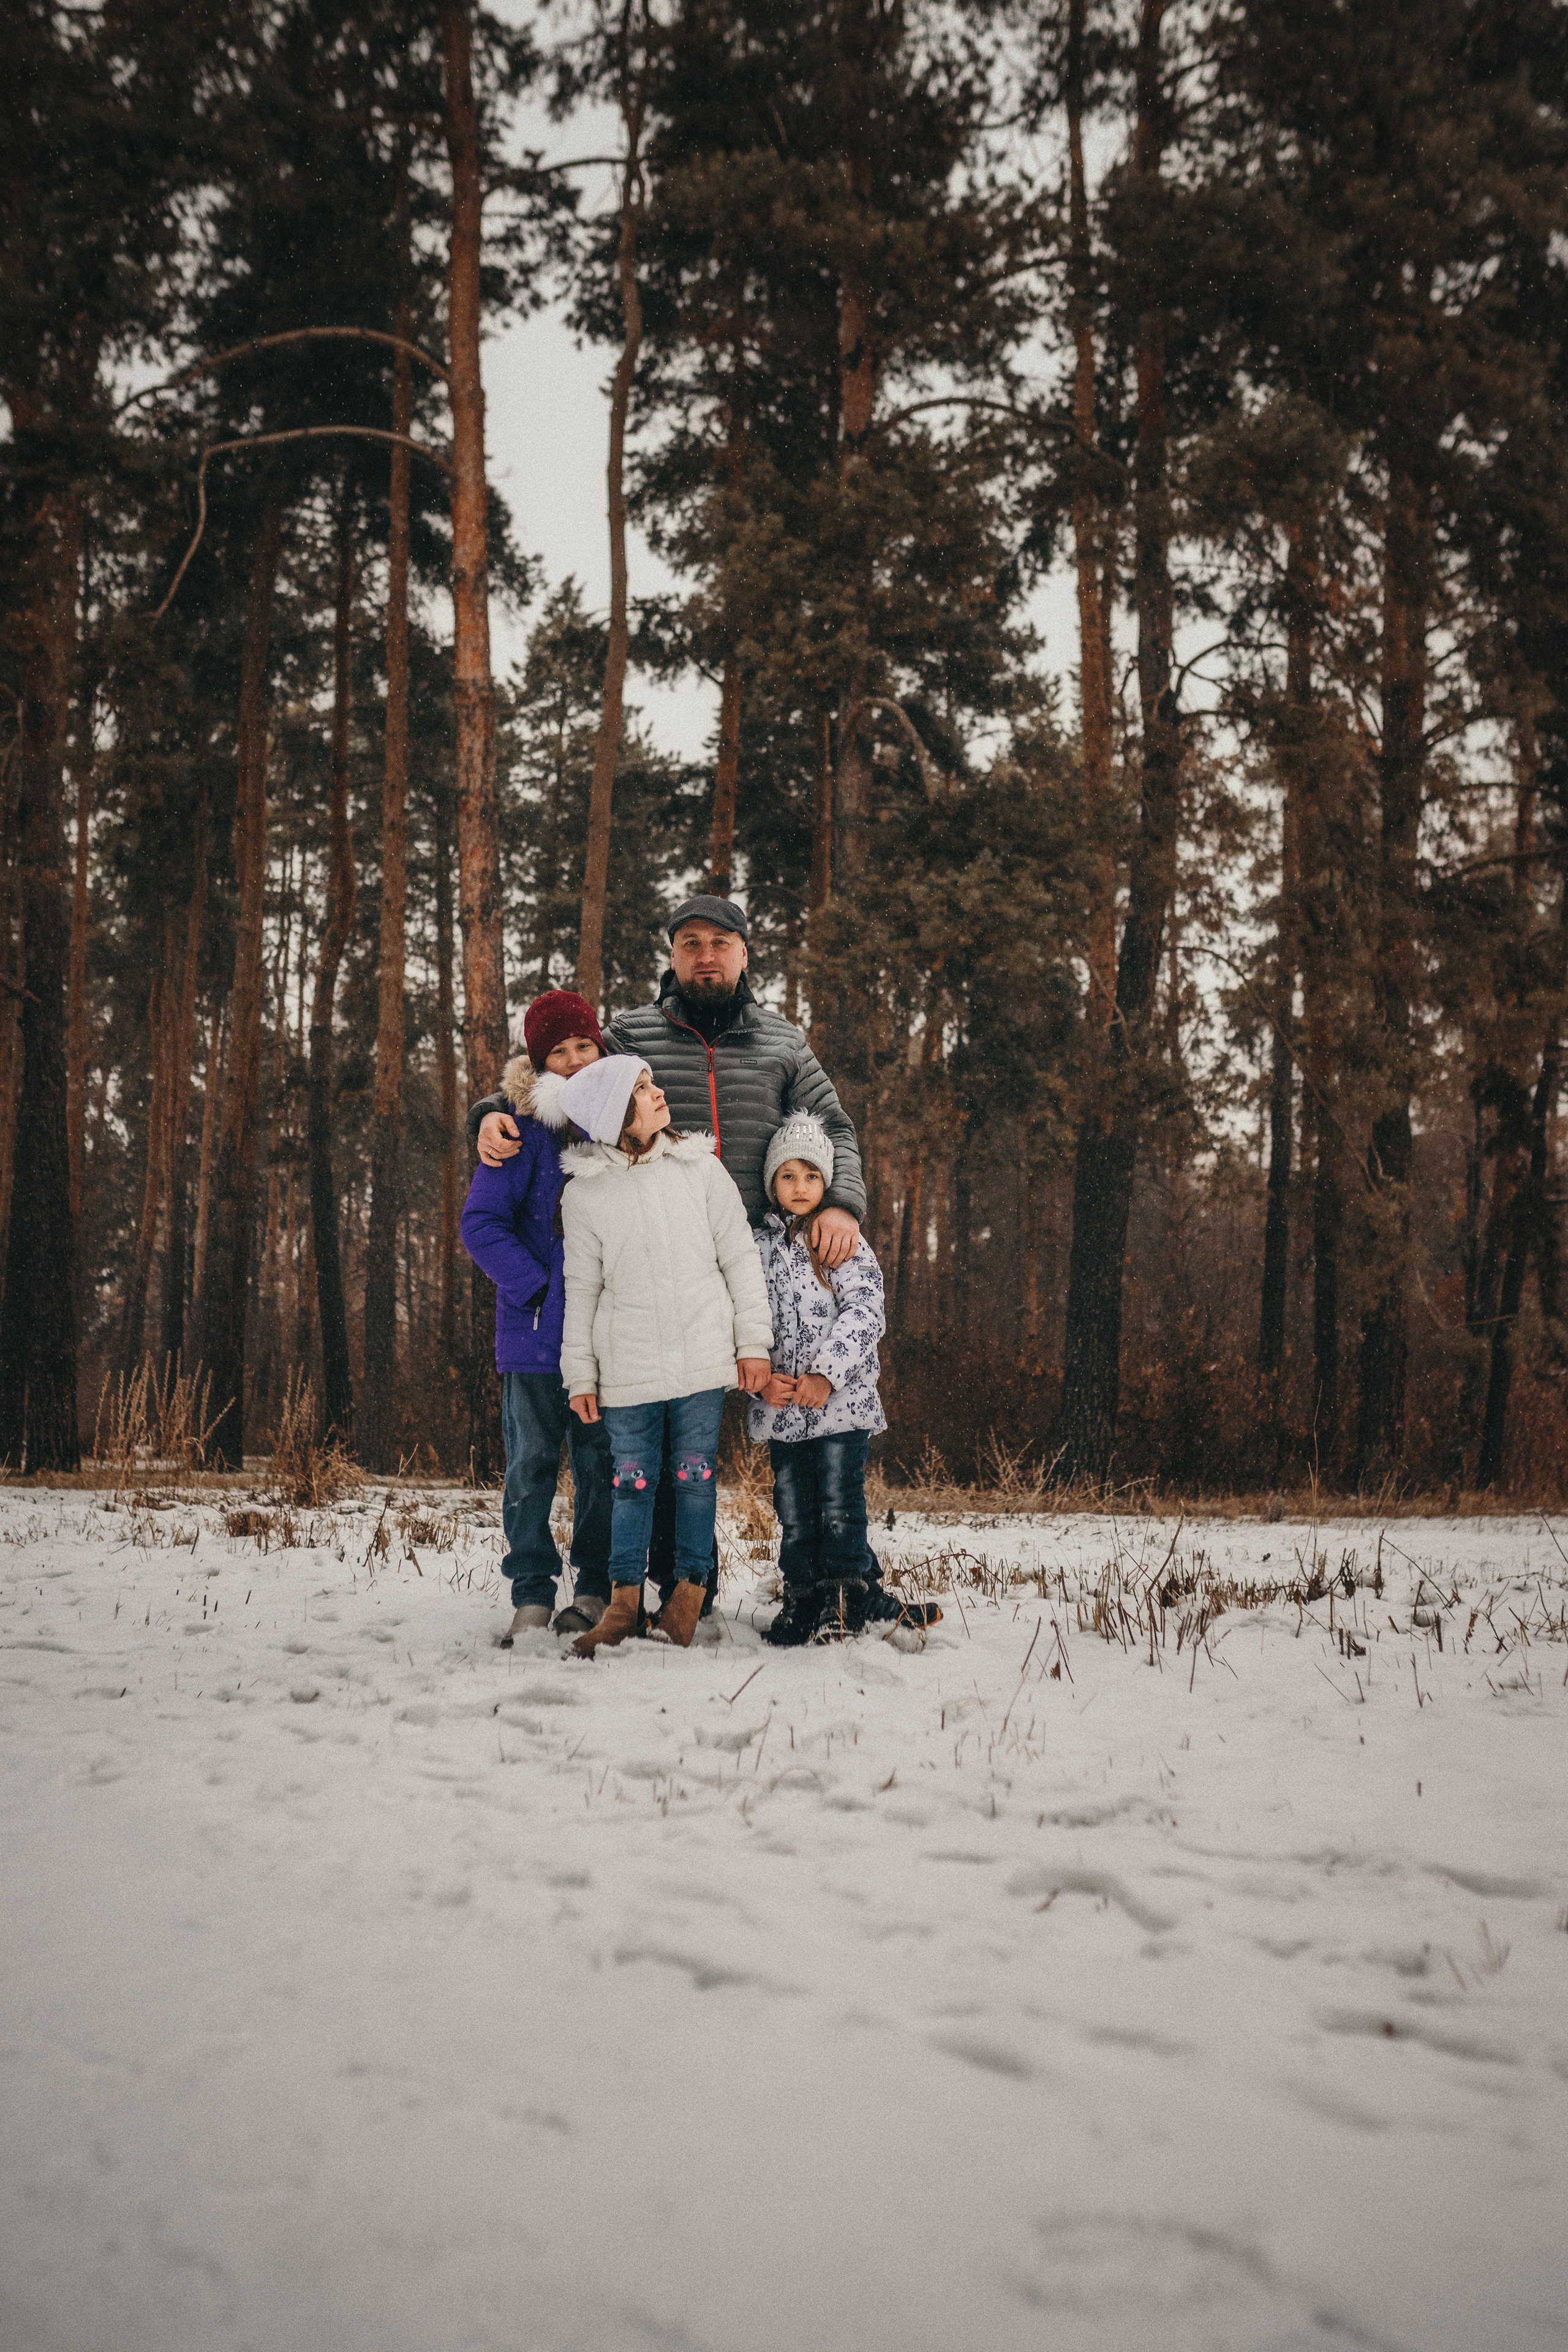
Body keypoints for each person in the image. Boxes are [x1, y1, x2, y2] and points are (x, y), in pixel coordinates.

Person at [467, 899, 865, 1613]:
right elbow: (560, 1080)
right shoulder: (631, 1035)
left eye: (720, 942)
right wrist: (488, 1112)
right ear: (672, 956)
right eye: (689, 943)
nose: (705, 954)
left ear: (745, 954)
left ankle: (822, 1578)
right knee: (645, 1444)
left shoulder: (782, 1042)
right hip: (646, 1267)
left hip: (752, 1261)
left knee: (776, 1435)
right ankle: (657, 1587)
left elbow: (831, 1122)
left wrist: (839, 1201)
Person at [556, 1054, 774, 1656]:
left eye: (652, 1084)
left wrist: (751, 1345)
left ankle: (686, 1598)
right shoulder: (586, 1196)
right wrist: (581, 1373)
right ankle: (623, 1606)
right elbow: (583, 1289)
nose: (657, 1094)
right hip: (626, 1368)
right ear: (611, 1117)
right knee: (632, 1484)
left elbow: (739, 1260)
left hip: (702, 1358)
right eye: (641, 1090)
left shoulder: (699, 1170)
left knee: (694, 1479)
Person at [458, 990, 615, 1646]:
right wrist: (542, 1290)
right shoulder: (519, 1132)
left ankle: (595, 1586)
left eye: (585, 1046)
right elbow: (481, 1224)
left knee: (602, 1467)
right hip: (534, 1337)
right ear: (540, 1061)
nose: (576, 1061)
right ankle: (530, 1592)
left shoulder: (617, 1125)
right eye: (560, 1051)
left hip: (607, 1338)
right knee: (529, 1467)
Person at [747, 1115, 937, 1645]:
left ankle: (847, 1596)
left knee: (838, 1505)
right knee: (795, 1512)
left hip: (840, 1406)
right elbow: (743, 1313)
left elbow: (866, 1312)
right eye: (788, 1176)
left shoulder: (837, 1240)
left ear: (827, 1183)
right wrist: (760, 1377)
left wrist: (826, 1375)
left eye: (811, 1176)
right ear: (771, 1184)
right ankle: (803, 1598)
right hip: (782, 1411)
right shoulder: (756, 1248)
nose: (800, 1187)